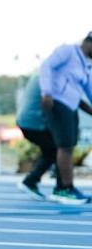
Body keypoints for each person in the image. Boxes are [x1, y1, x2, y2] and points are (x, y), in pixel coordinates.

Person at [38, 32, 92, 204]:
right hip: (58, 103)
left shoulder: (86, 66)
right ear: (88, 42)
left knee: (69, 146)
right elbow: (46, 66)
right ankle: (64, 188)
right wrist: (46, 93)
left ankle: (65, 187)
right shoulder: (68, 51)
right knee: (65, 146)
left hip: (71, 107)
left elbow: (89, 91)